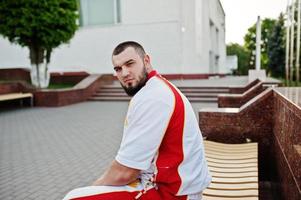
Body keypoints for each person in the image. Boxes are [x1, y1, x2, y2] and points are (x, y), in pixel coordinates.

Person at [62, 41, 211, 200]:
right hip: (174, 186)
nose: (124, 73)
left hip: (171, 193)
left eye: (130, 64)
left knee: (74, 197)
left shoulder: (153, 97)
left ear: (146, 61)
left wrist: (92, 190)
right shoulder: (156, 88)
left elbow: (125, 171)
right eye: (118, 69)